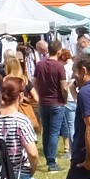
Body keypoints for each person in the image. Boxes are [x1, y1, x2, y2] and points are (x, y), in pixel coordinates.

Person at [34, 42, 69, 172]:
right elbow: (64, 86)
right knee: (54, 133)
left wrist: (40, 94)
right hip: (57, 102)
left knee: (46, 132)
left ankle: (49, 157)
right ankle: (52, 162)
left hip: (43, 102)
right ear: (59, 51)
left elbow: (34, 83)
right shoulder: (59, 66)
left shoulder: (40, 65)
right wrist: (65, 99)